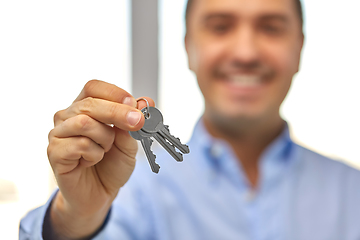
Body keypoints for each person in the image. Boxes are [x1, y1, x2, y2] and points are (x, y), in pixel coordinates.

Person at [20, 0, 360, 239]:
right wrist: (74, 217)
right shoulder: (126, 195)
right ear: (187, 46)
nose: (245, 52)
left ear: (299, 47)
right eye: (220, 26)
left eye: (270, 27)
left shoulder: (353, 194)